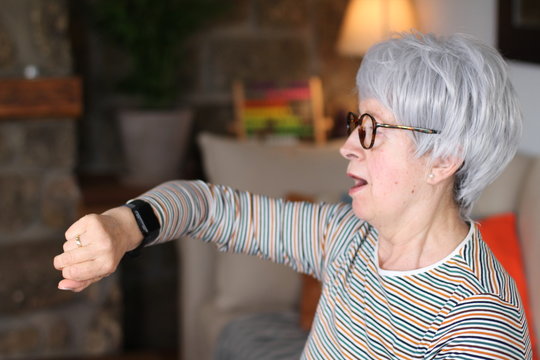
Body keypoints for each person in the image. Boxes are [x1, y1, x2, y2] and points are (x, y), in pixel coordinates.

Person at [54, 32, 532, 359]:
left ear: (443, 158)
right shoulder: (347, 238)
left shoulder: (479, 326)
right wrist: (122, 226)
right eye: (355, 123)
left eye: (373, 130)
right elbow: (209, 207)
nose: (348, 146)